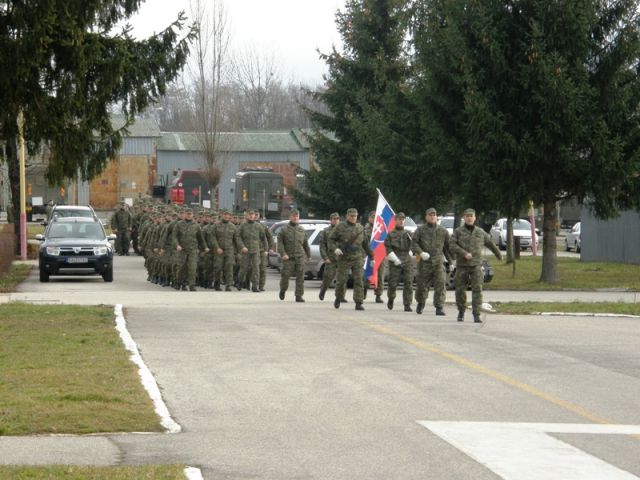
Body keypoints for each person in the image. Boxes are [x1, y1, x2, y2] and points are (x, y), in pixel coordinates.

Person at [450, 209, 502, 322]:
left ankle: (476, 314)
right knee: (460, 290)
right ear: (464, 218)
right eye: (467, 216)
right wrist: (463, 253)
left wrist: (498, 254)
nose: (469, 218)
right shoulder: (458, 231)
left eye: (471, 216)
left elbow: (490, 243)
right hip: (462, 265)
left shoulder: (480, 232)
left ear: (475, 218)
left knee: (477, 290)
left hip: (476, 265)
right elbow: (452, 245)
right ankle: (461, 311)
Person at [328, 208, 373, 311]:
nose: (353, 218)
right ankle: (338, 297)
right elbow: (331, 239)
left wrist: (372, 257)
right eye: (351, 216)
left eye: (355, 216)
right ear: (347, 216)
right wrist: (335, 249)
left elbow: (366, 244)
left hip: (357, 258)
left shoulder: (360, 228)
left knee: (359, 280)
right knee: (341, 280)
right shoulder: (340, 227)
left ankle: (358, 302)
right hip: (344, 258)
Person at [411, 208, 452, 315]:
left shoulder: (443, 231)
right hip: (424, 263)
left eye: (434, 215)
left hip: (438, 262)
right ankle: (421, 303)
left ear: (436, 217)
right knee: (422, 286)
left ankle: (439, 307)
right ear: (426, 217)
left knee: (441, 284)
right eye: (430, 215)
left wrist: (451, 262)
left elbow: (447, 248)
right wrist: (421, 253)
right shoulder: (420, 230)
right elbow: (414, 244)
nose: (432, 217)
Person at [172, 207, 209, 291]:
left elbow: (200, 238)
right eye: (187, 214)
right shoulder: (179, 224)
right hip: (182, 250)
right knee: (181, 267)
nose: (189, 215)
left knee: (192, 268)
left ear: (192, 215)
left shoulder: (196, 225)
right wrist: (177, 245)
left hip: (193, 250)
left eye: (190, 214)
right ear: (184, 214)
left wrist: (205, 247)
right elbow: (174, 236)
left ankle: (192, 285)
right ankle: (180, 282)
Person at [277, 209, 311, 302]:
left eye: (297, 216)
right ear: (290, 217)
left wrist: (308, 255)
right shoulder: (284, 229)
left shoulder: (301, 229)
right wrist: (283, 254)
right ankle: (283, 290)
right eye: (293, 216)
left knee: (300, 277)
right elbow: (280, 244)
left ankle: (298, 296)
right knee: (285, 276)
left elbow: (305, 244)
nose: (295, 218)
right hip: (288, 258)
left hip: (300, 257)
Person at [384, 212, 415, 311]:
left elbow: (414, 244)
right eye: (399, 219)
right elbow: (388, 248)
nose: (401, 221)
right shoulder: (390, 234)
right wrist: (395, 259)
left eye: (403, 219)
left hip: (407, 260)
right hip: (395, 261)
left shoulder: (408, 233)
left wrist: (411, 251)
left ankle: (407, 304)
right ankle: (391, 298)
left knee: (408, 283)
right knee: (393, 284)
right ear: (395, 220)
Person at [236, 209, 265, 292]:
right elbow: (238, 237)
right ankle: (240, 282)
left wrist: (265, 249)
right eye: (250, 214)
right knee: (244, 268)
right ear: (246, 216)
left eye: (253, 214)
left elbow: (263, 238)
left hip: (255, 251)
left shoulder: (258, 226)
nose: (252, 216)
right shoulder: (243, 226)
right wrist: (242, 246)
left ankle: (255, 286)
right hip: (246, 250)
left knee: (256, 268)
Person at [363, 210, 385, 303]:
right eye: (372, 217)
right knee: (367, 275)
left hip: (379, 255)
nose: (374, 219)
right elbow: (364, 242)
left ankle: (378, 295)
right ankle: (363, 292)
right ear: (369, 219)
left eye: (375, 218)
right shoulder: (366, 229)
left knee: (380, 276)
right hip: (368, 255)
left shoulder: (382, 228)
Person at [318, 212, 340, 300]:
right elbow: (322, 246)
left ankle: (340, 296)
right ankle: (323, 291)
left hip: (341, 259)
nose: (336, 221)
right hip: (331, 258)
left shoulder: (343, 231)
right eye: (334, 219)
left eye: (337, 219)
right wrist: (325, 258)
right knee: (328, 277)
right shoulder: (326, 231)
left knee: (342, 279)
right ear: (331, 220)